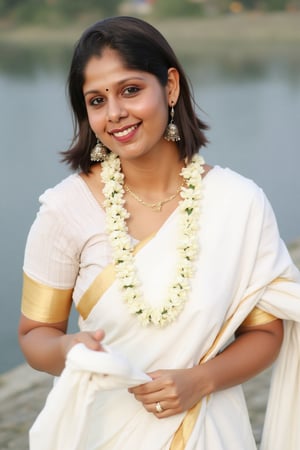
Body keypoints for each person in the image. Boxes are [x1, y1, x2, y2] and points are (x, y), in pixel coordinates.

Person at [18, 16, 300, 450]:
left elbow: (266, 334)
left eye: (130, 90)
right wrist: (70, 350)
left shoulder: (239, 201)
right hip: (101, 432)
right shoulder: (65, 209)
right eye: (96, 100)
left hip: (211, 428)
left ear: (170, 86)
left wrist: (202, 380)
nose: (115, 113)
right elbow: (35, 333)